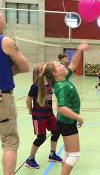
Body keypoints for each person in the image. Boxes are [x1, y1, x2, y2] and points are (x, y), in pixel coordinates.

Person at [41, 43, 88, 175]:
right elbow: (62, 108)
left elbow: (73, 64)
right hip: (67, 123)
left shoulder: (62, 78)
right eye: (60, 65)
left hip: (64, 122)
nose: (63, 65)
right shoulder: (62, 86)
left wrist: (79, 50)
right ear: (56, 73)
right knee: (74, 155)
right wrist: (78, 117)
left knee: (68, 153)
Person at [0, 12, 29, 175]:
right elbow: (24, 66)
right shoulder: (6, 42)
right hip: (2, 98)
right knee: (10, 142)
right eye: (3, 18)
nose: (5, 21)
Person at [25, 66, 62, 169]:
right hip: (39, 115)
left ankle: (52, 154)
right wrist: (30, 110)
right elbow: (28, 100)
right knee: (41, 137)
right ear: (40, 73)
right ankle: (30, 159)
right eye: (43, 68)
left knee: (56, 131)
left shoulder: (49, 83)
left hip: (49, 114)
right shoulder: (35, 86)